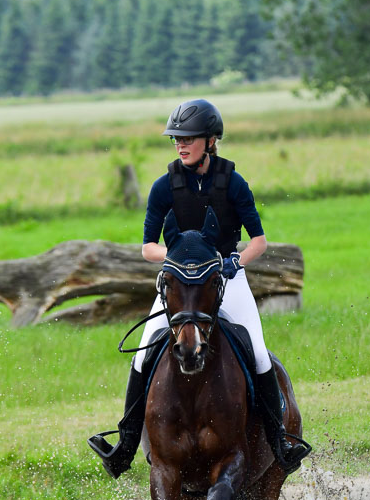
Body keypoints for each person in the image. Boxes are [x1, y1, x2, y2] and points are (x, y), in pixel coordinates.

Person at [88, 99, 310, 477]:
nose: (180, 144)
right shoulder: (164, 186)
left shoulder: (234, 183)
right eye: (176, 138)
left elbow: (258, 241)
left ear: (211, 140)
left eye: (188, 138)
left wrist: (234, 261)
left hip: (225, 278)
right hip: (177, 285)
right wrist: (174, 257)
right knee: (142, 357)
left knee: (257, 353)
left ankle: (278, 441)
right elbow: (147, 247)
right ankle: (125, 445)